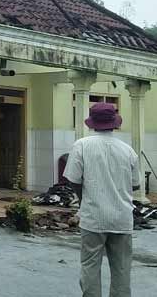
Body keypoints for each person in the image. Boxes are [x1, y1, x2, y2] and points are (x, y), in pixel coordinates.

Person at [63, 102, 141, 297]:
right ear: (114, 124)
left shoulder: (82, 145)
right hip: (122, 218)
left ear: (92, 123)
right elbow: (136, 185)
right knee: (122, 270)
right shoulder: (127, 150)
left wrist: (83, 200)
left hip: (93, 218)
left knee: (90, 267)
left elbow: (73, 180)